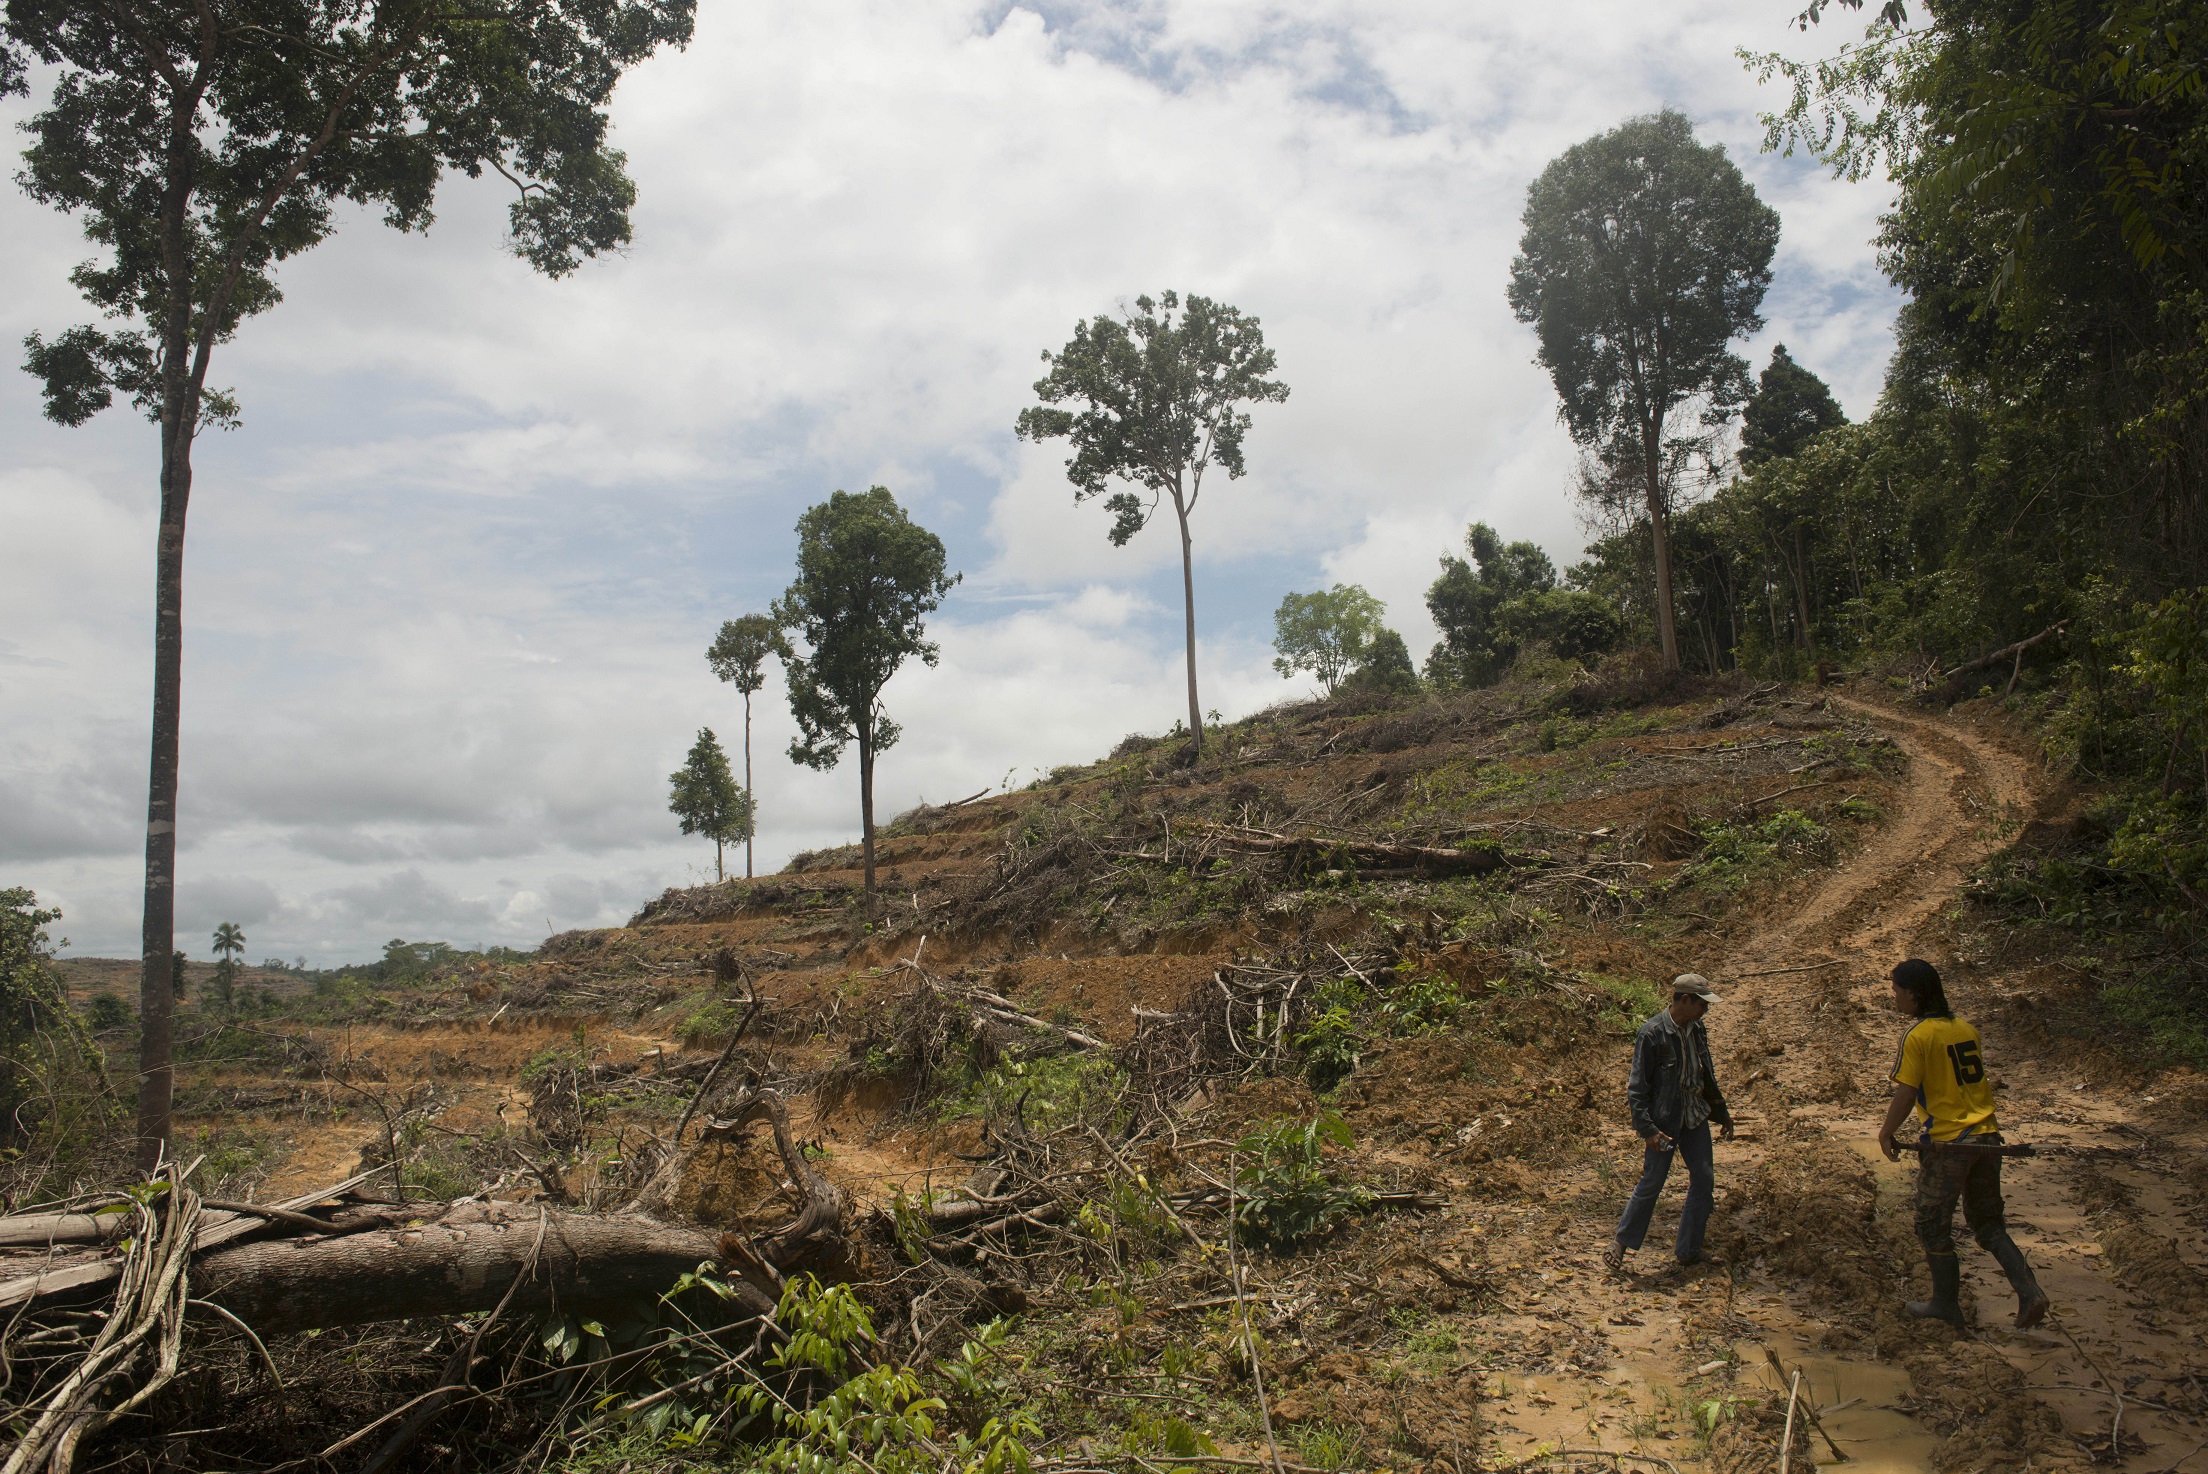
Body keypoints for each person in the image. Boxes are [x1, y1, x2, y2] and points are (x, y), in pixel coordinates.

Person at [1877, 957, 2049, 1329]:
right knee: (1988, 1223)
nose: (1895, 999)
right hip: (1988, 1137)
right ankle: (2029, 1290)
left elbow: (1907, 1093)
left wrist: (1886, 1132)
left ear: (1914, 995)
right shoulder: (1965, 1029)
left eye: (1897, 992)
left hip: (1950, 1144)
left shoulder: (1918, 1035)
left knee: (1931, 1224)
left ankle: (1945, 1305)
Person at [1604, 974, 1734, 1271]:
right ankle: (1620, 1243)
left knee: (1704, 1180)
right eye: (1702, 1004)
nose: (1706, 1010)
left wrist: (1722, 1113)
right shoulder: (1651, 1034)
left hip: (1694, 1115)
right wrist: (1648, 1130)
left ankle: (1689, 1249)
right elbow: (1637, 1089)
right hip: (1665, 1121)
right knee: (1652, 1182)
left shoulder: (1697, 1029)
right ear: (1684, 1000)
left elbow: (1706, 1075)